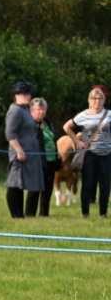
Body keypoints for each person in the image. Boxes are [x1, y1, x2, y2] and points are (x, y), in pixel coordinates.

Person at [64, 84, 111, 220]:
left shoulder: (108, 114)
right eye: (94, 98)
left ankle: (103, 213)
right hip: (89, 154)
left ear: (104, 100)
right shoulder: (83, 115)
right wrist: (77, 142)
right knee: (87, 183)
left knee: (105, 184)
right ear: (89, 100)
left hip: (106, 154)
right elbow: (66, 127)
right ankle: (85, 213)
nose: (97, 101)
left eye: (100, 99)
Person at [5, 82, 43, 219]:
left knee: (21, 184)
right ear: (16, 95)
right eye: (23, 94)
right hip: (19, 153)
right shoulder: (15, 111)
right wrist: (19, 150)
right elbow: (10, 133)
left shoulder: (25, 109)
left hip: (30, 152)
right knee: (15, 183)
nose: (27, 96)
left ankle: (21, 214)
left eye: (28, 94)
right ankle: (16, 215)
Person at [31, 98, 60, 217]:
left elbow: (52, 139)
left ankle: (44, 213)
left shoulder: (47, 123)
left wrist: (57, 152)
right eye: (38, 109)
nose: (41, 112)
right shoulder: (30, 124)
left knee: (48, 188)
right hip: (37, 161)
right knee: (35, 188)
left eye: (43, 109)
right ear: (32, 111)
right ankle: (30, 213)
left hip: (51, 160)